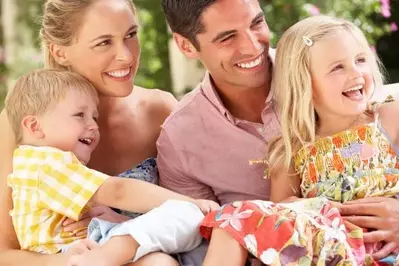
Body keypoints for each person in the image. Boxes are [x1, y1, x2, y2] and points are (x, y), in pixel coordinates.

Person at [199, 15, 399, 265]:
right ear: (304, 83)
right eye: (338, 67)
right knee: (237, 218)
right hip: (333, 252)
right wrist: (302, 206)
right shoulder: (293, 149)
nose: (356, 73)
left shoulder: (390, 118)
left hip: (388, 246)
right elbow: (281, 216)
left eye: (360, 60)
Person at [0, 0, 178, 265]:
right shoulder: (25, 125)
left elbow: (193, 216)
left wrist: (118, 228)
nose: (127, 56)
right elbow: (4, 253)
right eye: (104, 42)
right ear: (60, 52)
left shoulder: (162, 111)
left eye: (130, 35)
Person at [4, 69, 219, 266]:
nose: (93, 125)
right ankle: (110, 254)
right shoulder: (48, 164)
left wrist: (116, 221)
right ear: (34, 126)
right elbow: (118, 191)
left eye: (94, 117)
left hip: (80, 252)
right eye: (80, 115)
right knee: (186, 216)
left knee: (161, 261)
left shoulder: (33, 166)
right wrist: (192, 203)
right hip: (77, 254)